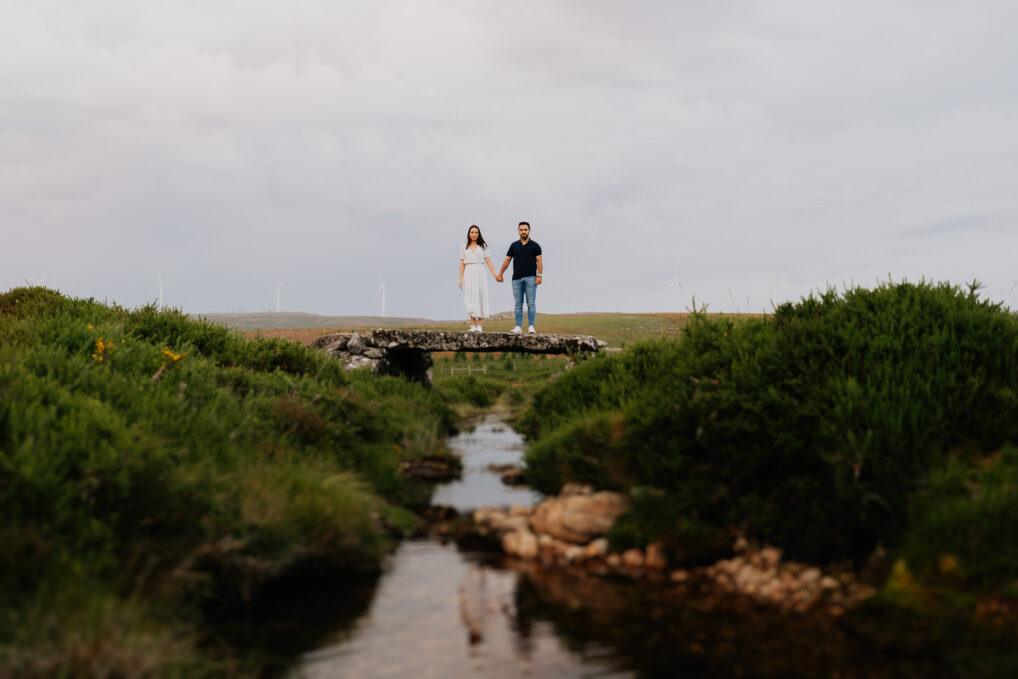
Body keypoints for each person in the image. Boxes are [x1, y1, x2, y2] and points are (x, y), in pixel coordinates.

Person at [496, 221, 542, 334]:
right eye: (521, 230)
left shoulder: (535, 246)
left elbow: (539, 261)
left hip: (531, 278)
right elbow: (507, 260)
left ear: (529, 231)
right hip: (516, 279)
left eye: (525, 229)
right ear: (518, 231)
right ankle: (518, 327)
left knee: (531, 303)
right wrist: (500, 273)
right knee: (518, 303)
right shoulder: (514, 245)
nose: (523, 231)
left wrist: (539, 276)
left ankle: (531, 326)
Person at [458, 225, 498, 332]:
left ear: (478, 234)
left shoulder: (483, 246)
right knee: (470, 297)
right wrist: (460, 279)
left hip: (480, 272)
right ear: (469, 234)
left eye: (476, 232)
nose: (474, 234)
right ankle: (473, 325)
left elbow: (488, 261)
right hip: (468, 273)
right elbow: (462, 264)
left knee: (480, 296)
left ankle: (479, 325)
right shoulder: (464, 247)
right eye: (472, 232)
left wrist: (495, 275)